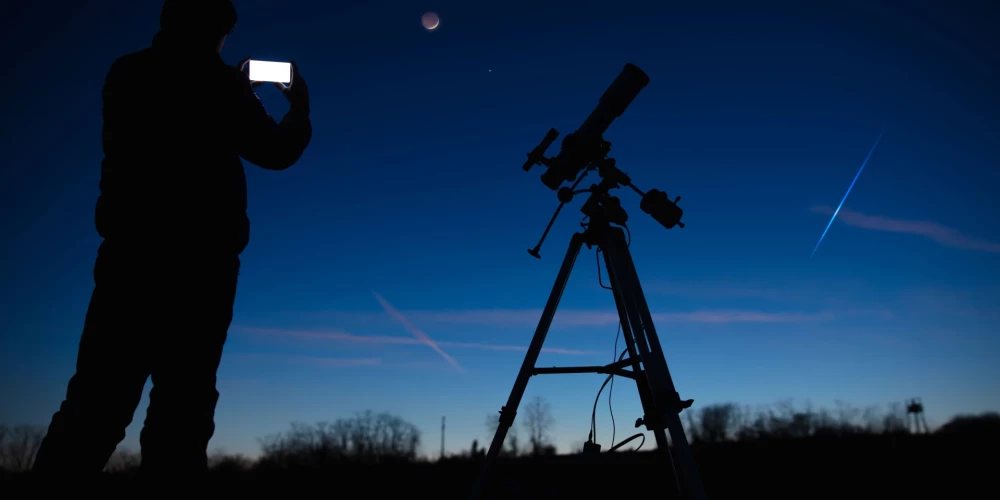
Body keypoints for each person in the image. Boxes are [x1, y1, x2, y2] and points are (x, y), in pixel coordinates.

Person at [32, 0, 312, 476]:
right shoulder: (219, 86)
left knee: (94, 404)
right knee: (182, 414)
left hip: (129, 259)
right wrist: (298, 107)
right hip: (201, 268)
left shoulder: (128, 73)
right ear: (220, 31)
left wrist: (230, 86)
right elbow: (276, 150)